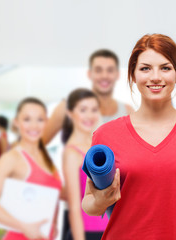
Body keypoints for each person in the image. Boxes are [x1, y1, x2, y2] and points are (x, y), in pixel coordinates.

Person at [81, 34, 176, 240]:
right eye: (145, 68)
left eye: (165, 68)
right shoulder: (106, 134)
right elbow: (88, 204)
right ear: (133, 75)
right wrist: (100, 201)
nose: (155, 77)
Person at [0, 98, 62, 240]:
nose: (34, 126)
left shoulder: (46, 157)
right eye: (27, 119)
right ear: (16, 122)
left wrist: (53, 222)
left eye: (40, 119)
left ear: (47, 122)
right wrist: (24, 227)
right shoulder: (12, 158)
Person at [42, 49, 134, 145]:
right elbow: (37, 146)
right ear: (89, 74)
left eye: (110, 70)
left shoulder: (128, 112)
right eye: (98, 70)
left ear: (117, 74)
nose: (104, 75)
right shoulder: (67, 106)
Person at [62, 88, 108, 240]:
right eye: (83, 110)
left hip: (111, 231)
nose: (89, 116)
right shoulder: (71, 153)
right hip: (88, 234)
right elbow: (74, 207)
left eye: (94, 110)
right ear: (70, 113)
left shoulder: (99, 146)